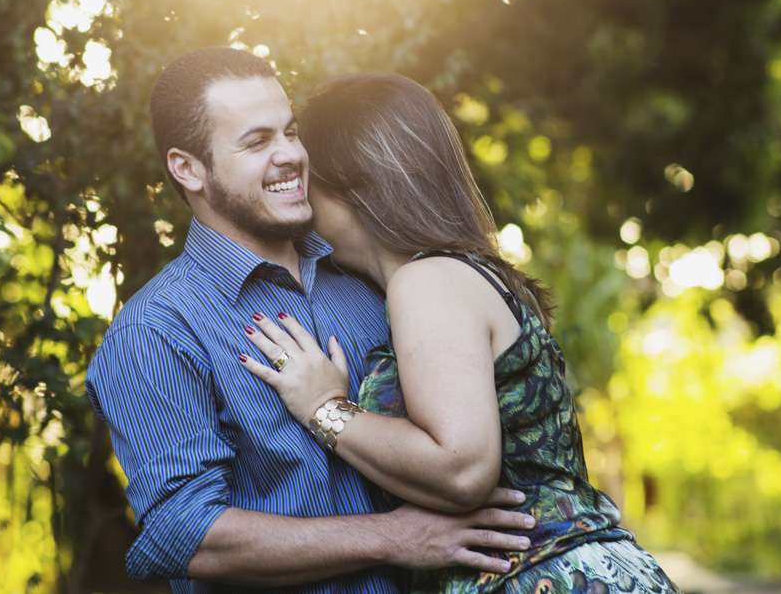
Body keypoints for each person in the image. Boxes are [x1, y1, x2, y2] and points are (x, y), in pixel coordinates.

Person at [85, 48, 536, 594]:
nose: (291, 156)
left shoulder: (377, 278)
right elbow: (188, 533)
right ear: (188, 168)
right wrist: (392, 537)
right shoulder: (156, 330)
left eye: (291, 132)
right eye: (256, 142)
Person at [238, 73, 682, 594]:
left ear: (354, 182)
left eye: (308, 173)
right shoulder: (456, 275)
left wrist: (325, 408)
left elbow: (462, 469)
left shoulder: (427, 281)